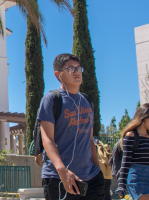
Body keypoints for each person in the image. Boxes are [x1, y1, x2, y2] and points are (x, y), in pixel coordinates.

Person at [37, 54, 104, 200]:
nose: (77, 72)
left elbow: (90, 139)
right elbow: (47, 139)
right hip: (59, 178)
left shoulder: (87, 101)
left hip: (91, 177)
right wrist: (62, 170)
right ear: (58, 75)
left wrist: (98, 170)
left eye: (79, 68)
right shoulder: (52, 99)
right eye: (70, 69)